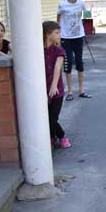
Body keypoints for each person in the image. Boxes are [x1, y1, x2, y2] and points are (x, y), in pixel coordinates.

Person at [57, 0, 91, 100]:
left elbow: (86, 14)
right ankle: (70, 91)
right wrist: (58, 35)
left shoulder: (81, 2)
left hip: (78, 36)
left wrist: (88, 15)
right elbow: (58, 18)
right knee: (68, 63)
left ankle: (82, 90)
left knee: (79, 62)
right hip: (66, 37)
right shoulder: (62, 5)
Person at [43, 21, 70, 149]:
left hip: (57, 90)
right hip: (42, 89)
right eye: (57, 32)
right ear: (48, 34)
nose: (59, 35)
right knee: (46, 117)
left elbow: (57, 68)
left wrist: (54, 86)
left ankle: (61, 136)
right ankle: (53, 136)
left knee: (52, 117)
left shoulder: (59, 50)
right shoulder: (38, 51)